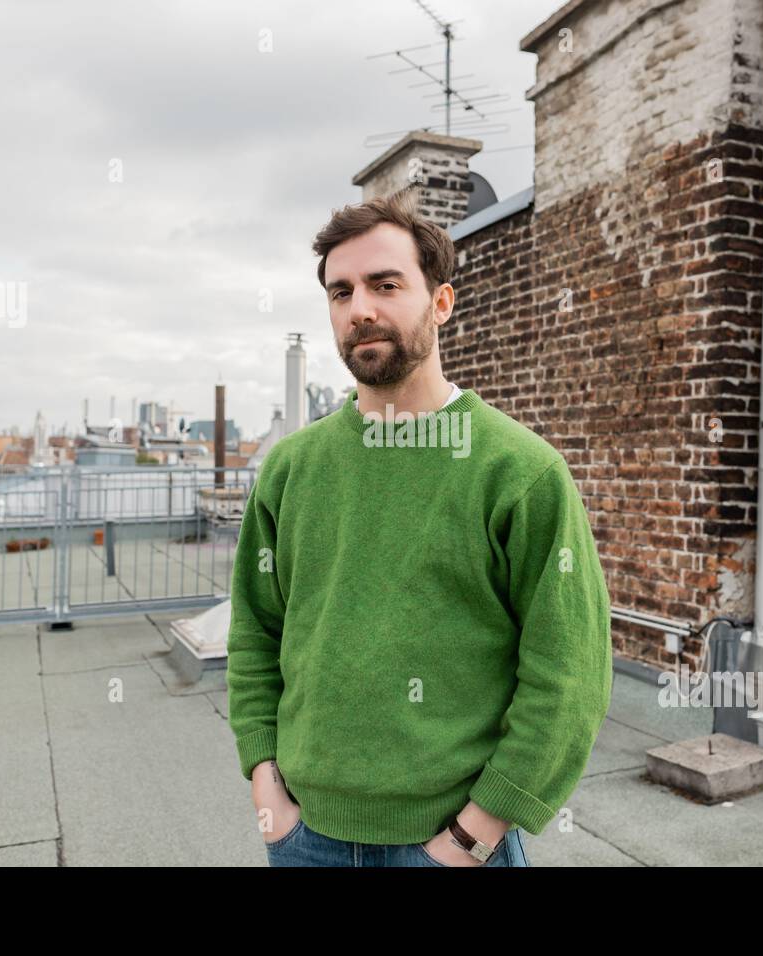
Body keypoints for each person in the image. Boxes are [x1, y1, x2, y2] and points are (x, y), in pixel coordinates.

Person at [226, 188, 612, 867]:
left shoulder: (520, 472)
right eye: (340, 293)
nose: (361, 309)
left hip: (451, 845)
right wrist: (266, 788)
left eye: (385, 284)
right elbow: (255, 634)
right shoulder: (290, 469)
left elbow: (569, 673)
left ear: (441, 302)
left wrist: (472, 836)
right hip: (304, 837)